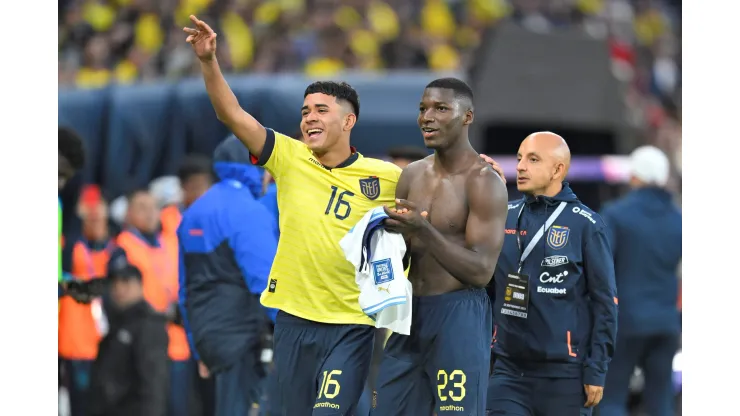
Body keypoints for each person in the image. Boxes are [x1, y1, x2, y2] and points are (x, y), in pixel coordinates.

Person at [183, 17, 504, 414]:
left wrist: (479, 165)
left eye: (321, 110)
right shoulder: (288, 157)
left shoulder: (387, 176)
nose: (309, 118)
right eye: (305, 111)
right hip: (293, 318)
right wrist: (209, 61)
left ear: (348, 121)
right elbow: (232, 114)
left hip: (351, 323)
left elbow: (442, 179)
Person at [371, 78, 509, 416]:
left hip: (459, 315)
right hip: (410, 313)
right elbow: (401, 250)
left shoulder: (483, 181)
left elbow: (481, 272)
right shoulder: (411, 175)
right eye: (423, 109)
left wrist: (424, 229)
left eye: (441, 108)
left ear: (467, 117)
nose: (427, 117)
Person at [486, 132, 618, 416]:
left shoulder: (587, 225)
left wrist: (597, 370)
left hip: (566, 377)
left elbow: (605, 303)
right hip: (507, 373)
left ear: (558, 169)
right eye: (520, 158)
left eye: (533, 159)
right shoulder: (503, 216)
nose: (520, 166)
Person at [178, 135, 279, 416]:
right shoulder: (249, 212)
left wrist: (198, 348)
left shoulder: (192, 213)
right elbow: (267, 284)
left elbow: (184, 289)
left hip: (208, 342)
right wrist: (291, 334)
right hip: (246, 341)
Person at [599, 146, 681, 416]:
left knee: (612, 399)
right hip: (666, 323)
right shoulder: (679, 221)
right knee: (662, 402)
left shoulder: (616, 215)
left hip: (626, 323)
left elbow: (601, 268)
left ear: (634, 177)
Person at [115, 189, 192, 416]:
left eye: (153, 207)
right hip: (144, 344)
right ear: (128, 214)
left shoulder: (170, 241)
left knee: (180, 406)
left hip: (177, 342)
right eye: (141, 207)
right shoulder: (123, 247)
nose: (149, 213)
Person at [88, 265, 169, 416]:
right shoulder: (116, 321)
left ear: (139, 285)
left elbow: (153, 382)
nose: (119, 288)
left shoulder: (148, 324)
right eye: (115, 283)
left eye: (126, 282)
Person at [161, 154, 215, 238]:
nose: (201, 193)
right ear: (182, 186)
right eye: (195, 187)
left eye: (205, 187)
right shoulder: (167, 217)